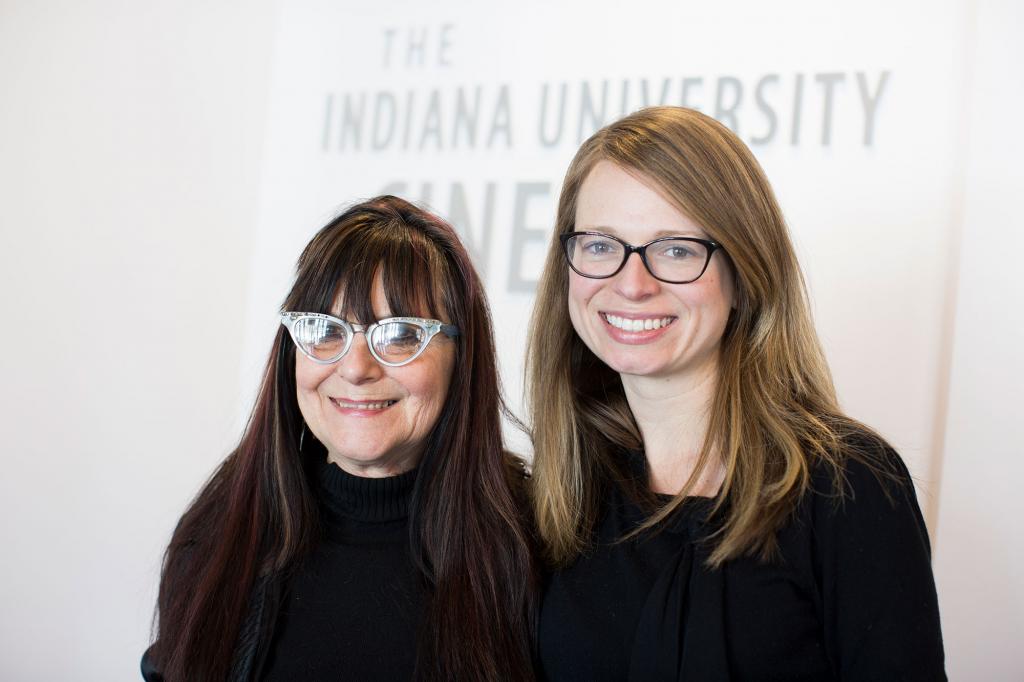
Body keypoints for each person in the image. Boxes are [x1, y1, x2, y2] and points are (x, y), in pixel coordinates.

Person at [526, 107, 945, 680]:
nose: (631, 284)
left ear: (745, 274)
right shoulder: (561, 496)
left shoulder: (850, 488)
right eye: (601, 244)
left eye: (676, 249)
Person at [142, 196, 536, 681]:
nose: (354, 368)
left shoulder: (530, 551)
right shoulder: (222, 531)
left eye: (399, 336)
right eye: (325, 331)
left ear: (463, 356)